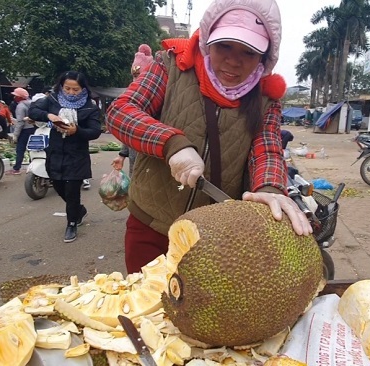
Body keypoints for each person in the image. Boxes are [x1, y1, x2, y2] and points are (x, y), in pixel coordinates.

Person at [106, 0, 313, 274]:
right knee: (146, 308)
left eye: (248, 52)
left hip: (215, 237)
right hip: (151, 224)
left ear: (264, 58)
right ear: (207, 41)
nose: (233, 60)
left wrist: (270, 190)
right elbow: (121, 112)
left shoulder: (266, 100)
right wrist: (171, 143)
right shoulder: (170, 66)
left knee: (204, 312)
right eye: (224, 45)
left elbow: (267, 152)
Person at [28, 71, 101, 243]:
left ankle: (72, 223)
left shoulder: (89, 107)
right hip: (55, 151)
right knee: (58, 185)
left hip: (76, 154)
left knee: (72, 190)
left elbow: (95, 131)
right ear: (61, 87)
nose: (71, 92)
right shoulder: (52, 100)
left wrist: (77, 131)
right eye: (67, 88)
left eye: (75, 89)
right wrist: (49, 116)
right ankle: (79, 210)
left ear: (83, 89)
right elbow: (33, 111)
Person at [111, 44, 153, 176]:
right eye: (134, 76)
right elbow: (129, 130)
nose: (136, 80)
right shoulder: (132, 100)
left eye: (139, 76)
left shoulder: (158, 100)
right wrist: (122, 155)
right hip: (135, 163)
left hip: (152, 162)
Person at [10, 88, 35, 175]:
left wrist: (15, 135)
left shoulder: (20, 106)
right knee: (32, 149)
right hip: (33, 128)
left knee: (20, 149)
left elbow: (20, 122)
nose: (14, 97)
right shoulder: (32, 104)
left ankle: (17, 168)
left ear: (19, 97)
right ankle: (32, 167)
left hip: (24, 130)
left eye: (15, 96)